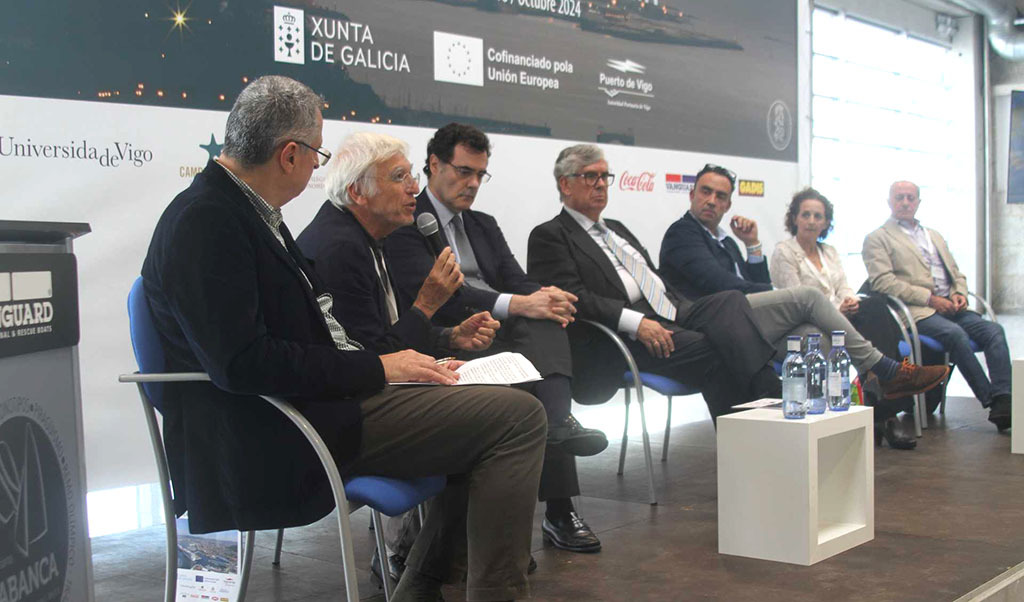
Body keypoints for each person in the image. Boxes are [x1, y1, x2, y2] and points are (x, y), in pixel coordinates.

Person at [141, 76, 545, 602]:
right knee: (516, 418)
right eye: (315, 153)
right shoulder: (208, 222)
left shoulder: (244, 212)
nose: (316, 167)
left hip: (316, 404)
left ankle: (420, 585)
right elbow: (242, 362)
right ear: (289, 154)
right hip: (281, 429)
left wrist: (398, 362)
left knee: (488, 408)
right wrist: (382, 369)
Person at [385, 123, 607, 554]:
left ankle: (558, 447)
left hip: (499, 329)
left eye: (479, 175)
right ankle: (552, 510)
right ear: (433, 164)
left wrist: (544, 297)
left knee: (547, 320)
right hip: (447, 335)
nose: (472, 184)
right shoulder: (405, 221)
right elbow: (442, 291)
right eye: (463, 171)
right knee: (533, 347)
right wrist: (521, 304)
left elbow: (516, 278)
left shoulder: (482, 224)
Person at [527, 144, 784, 423]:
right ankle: (756, 428)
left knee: (731, 299)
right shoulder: (550, 235)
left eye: (605, 177)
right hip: (624, 334)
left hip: (670, 309)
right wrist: (636, 322)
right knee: (715, 349)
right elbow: (573, 297)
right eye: (590, 177)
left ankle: (769, 395)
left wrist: (683, 308)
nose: (601, 185)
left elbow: (652, 276)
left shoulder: (616, 228)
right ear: (565, 184)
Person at [659, 163, 949, 402]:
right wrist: (781, 294)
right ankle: (883, 368)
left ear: (729, 204)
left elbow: (753, 282)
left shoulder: (725, 241)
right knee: (808, 297)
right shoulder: (682, 234)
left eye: (721, 196)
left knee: (816, 337)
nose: (712, 201)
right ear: (691, 194)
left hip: (740, 319)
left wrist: (752, 246)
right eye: (706, 192)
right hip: (709, 323)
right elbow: (719, 284)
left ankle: (825, 420)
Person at [771, 188, 916, 449]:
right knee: (874, 317)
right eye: (806, 215)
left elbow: (844, 286)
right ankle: (886, 408)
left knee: (874, 304)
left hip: (842, 318)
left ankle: (880, 399)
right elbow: (795, 299)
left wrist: (849, 301)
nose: (812, 221)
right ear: (794, 218)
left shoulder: (830, 252)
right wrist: (839, 309)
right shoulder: (785, 252)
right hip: (808, 324)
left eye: (818, 216)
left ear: (826, 222)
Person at [863, 180, 1012, 431]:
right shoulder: (878, 238)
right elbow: (882, 282)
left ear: (918, 203)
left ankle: (1004, 397)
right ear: (889, 202)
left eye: (911, 198)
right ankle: (992, 402)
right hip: (918, 311)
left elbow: (956, 273)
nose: (905, 202)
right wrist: (930, 299)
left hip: (952, 307)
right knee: (955, 335)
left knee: (994, 331)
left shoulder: (934, 235)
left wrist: (959, 293)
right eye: (899, 197)